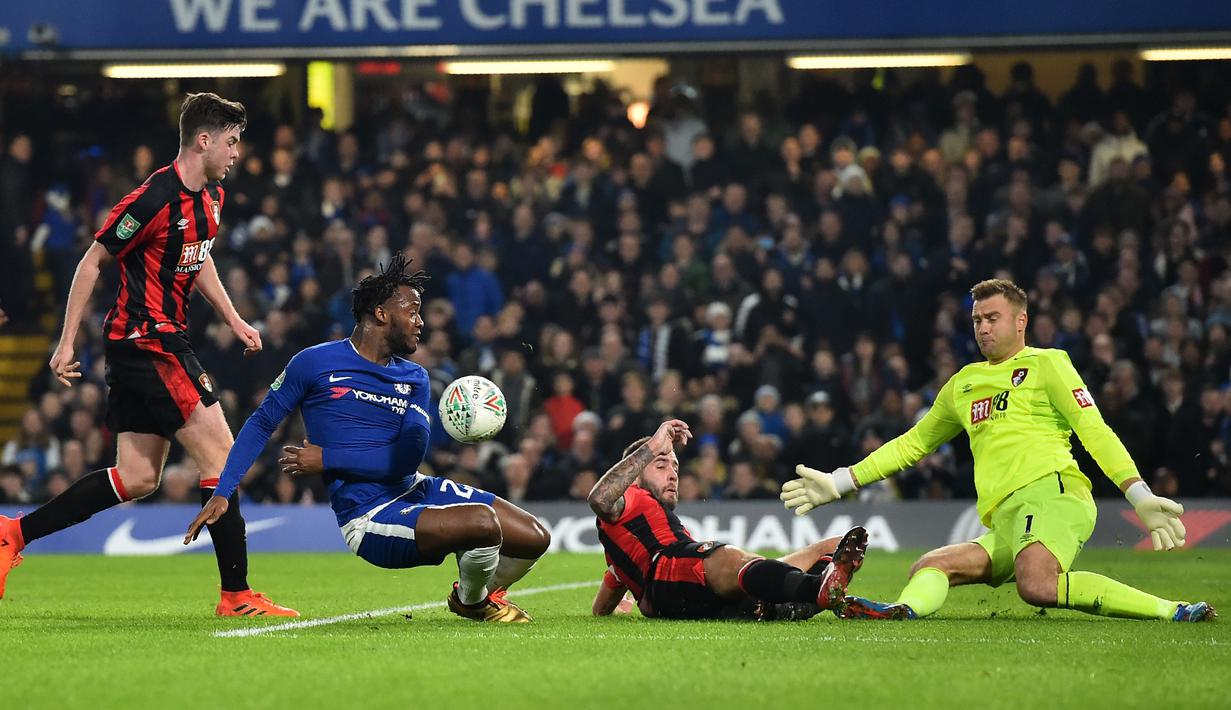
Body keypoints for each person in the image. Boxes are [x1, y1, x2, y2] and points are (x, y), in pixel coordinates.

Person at [0, 93, 297, 617]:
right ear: (202, 141)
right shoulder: (152, 198)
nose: (236, 154)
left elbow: (198, 257)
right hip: (148, 341)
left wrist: (233, 318)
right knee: (223, 456)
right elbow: (92, 262)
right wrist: (66, 342)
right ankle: (236, 595)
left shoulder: (212, 197)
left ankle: (12, 534)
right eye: (231, 142)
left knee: (136, 477)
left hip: (149, 344)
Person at [781, 278, 1216, 622]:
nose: (983, 328)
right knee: (930, 566)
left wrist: (1138, 494)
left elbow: (1094, 430)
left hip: (1052, 496)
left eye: (992, 318)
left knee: (1037, 585)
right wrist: (840, 481)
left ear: (1021, 321)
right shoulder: (963, 384)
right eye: (976, 320)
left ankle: (1173, 610)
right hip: (1006, 520)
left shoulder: (1048, 364)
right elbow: (913, 444)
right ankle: (902, 611)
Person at [186, 252, 551, 622]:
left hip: (414, 487)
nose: (420, 322)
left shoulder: (415, 378)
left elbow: (405, 460)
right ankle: (473, 602)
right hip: (369, 514)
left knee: (536, 536)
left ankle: (477, 586)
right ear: (380, 314)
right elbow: (262, 422)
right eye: (412, 311)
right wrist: (224, 490)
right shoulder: (314, 363)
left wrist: (328, 458)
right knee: (483, 524)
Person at [588, 418, 867, 620]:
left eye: (675, 467)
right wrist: (653, 444)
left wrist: (615, 606)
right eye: (661, 465)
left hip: (686, 594)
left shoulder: (626, 544)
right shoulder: (630, 496)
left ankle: (812, 597)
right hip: (667, 576)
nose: (672, 474)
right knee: (729, 557)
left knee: (829, 548)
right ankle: (815, 589)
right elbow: (599, 498)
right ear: (632, 476)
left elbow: (603, 603)